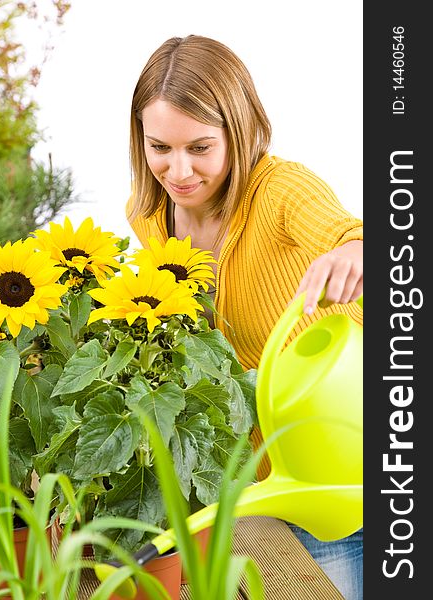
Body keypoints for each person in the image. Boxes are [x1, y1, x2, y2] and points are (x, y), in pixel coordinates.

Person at [126, 35, 363, 599]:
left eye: (200, 147)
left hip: (336, 459)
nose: (177, 170)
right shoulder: (150, 216)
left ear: (240, 128)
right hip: (254, 479)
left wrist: (354, 252)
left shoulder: (280, 190)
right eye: (159, 146)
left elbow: (356, 236)